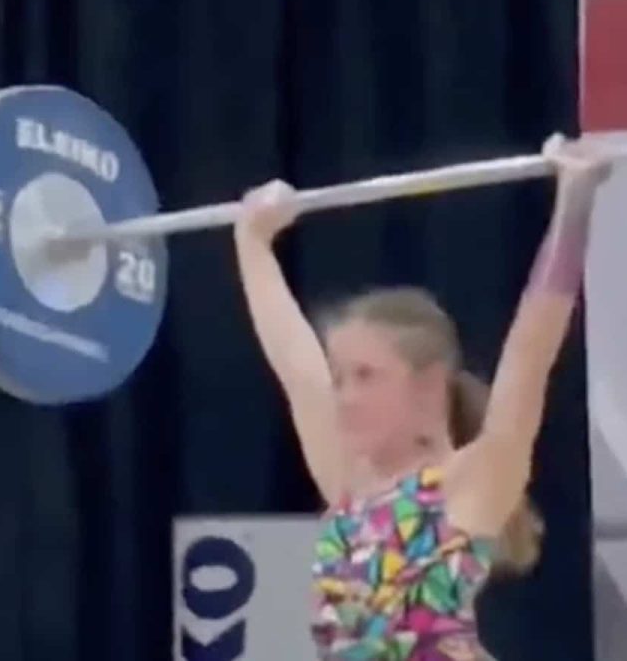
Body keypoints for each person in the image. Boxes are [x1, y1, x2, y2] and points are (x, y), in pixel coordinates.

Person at [232, 134, 608, 659]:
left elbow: (532, 345)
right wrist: (252, 242)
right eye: (341, 378)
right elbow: (297, 369)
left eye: (367, 376)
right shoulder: (349, 484)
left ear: (427, 385)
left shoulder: (471, 484)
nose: (344, 397)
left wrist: (575, 199)